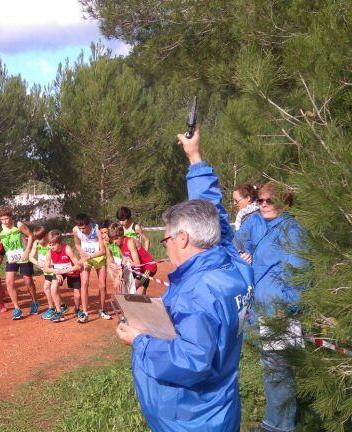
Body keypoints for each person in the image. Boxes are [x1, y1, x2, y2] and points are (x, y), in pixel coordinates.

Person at [115, 125, 254, 432]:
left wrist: (139, 341)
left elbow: (190, 361)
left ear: (182, 238)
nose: (165, 247)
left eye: (165, 240)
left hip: (190, 419)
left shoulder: (198, 291)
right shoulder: (233, 264)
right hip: (219, 408)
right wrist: (195, 158)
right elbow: (212, 212)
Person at [237, 182, 307, 432]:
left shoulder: (293, 230)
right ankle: (273, 422)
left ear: (284, 202)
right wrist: (244, 253)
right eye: (261, 200)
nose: (263, 205)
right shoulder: (256, 222)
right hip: (258, 308)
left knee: (279, 371)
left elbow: (300, 274)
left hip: (279, 311)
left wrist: (287, 309)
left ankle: (282, 426)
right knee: (270, 369)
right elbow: (237, 243)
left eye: (269, 201)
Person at [0, 206, 39, 320]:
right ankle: (17, 309)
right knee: (9, 282)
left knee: (28, 281)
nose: (4, 222)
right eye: (2, 219)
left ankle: (35, 302)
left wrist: (27, 251)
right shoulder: (0, 229)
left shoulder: (18, 225)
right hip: (11, 258)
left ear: (11, 217)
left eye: (6, 218)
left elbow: (30, 235)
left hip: (23, 256)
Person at [72, 214, 109, 322]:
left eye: (84, 228)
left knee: (102, 285)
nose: (82, 231)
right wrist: (83, 254)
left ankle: (102, 310)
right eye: (80, 228)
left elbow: (102, 250)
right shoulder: (75, 230)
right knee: (84, 283)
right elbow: (77, 244)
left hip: (98, 257)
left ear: (89, 224)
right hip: (85, 257)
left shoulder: (97, 229)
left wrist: (88, 256)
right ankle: (84, 312)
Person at [41, 230, 81, 323]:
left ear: (59, 243)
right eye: (50, 245)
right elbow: (46, 268)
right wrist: (56, 272)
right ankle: (59, 312)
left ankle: (77, 309)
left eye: (53, 245)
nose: (51, 247)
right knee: (53, 288)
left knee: (77, 294)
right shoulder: (49, 252)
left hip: (71, 270)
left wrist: (63, 271)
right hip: (59, 271)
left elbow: (77, 266)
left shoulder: (67, 249)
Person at [108, 224, 158, 295]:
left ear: (121, 235)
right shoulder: (119, 244)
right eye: (112, 239)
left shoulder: (130, 242)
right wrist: (120, 273)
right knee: (132, 290)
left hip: (149, 268)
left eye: (116, 238)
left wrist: (124, 269)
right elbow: (125, 259)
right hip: (138, 269)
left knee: (132, 289)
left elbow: (137, 263)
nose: (114, 241)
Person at [29, 226, 65, 320]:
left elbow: (57, 256)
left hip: (53, 270)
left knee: (47, 288)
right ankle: (62, 305)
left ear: (46, 236)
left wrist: (57, 271)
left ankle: (52, 308)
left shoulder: (50, 244)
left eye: (41, 238)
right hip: (46, 271)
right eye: (38, 238)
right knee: (53, 289)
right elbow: (30, 257)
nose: (39, 240)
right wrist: (38, 263)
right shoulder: (36, 243)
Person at [99, 220, 124, 294]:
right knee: (118, 287)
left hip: (127, 264)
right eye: (101, 233)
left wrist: (119, 276)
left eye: (106, 233)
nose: (103, 236)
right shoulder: (106, 242)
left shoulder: (118, 241)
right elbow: (109, 259)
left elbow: (125, 260)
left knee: (137, 290)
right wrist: (114, 278)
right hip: (119, 264)